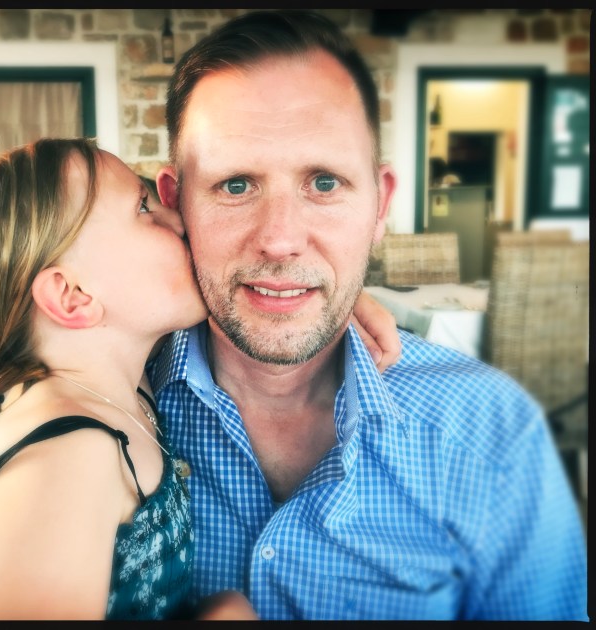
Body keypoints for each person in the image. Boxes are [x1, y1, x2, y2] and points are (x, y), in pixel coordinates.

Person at [146, 9, 587, 621]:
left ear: (380, 206)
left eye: (324, 183)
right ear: (175, 204)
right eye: (236, 186)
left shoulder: (493, 433)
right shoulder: (101, 399)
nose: (280, 240)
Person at [0, 137, 262, 620]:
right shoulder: (64, 460)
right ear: (72, 296)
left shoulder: (121, 384)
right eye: (143, 207)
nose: (180, 220)